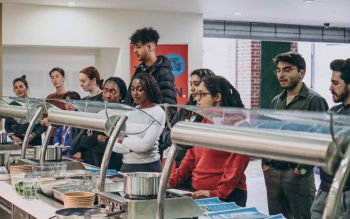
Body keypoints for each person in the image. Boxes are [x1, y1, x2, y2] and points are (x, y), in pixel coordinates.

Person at [262, 51, 329, 219]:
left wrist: (302, 168)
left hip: (297, 175)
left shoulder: (314, 101)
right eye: (278, 70)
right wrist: (266, 163)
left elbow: (320, 139)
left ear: (301, 72)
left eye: (287, 69)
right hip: (273, 173)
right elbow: (269, 134)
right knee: (276, 217)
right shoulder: (277, 100)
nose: (281, 74)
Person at [168, 75, 250, 206]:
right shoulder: (203, 121)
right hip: (198, 192)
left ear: (217, 97)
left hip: (228, 196)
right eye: (196, 95)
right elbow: (190, 158)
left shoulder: (238, 125)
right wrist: (170, 181)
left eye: (202, 95)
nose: (197, 100)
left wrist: (217, 193)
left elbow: (235, 167)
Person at [127, 27, 177, 157]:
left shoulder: (164, 73)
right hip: (135, 135)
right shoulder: (139, 71)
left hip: (152, 141)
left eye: (138, 47)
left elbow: (169, 109)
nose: (135, 50)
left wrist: (159, 141)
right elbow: (129, 104)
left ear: (149, 47)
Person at [311, 58, 350, 219]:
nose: (330, 88)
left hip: (345, 193)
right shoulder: (334, 111)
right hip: (325, 188)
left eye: (335, 83)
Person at [113, 73, 165, 172]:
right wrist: (133, 147)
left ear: (149, 90)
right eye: (132, 89)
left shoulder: (158, 112)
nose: (135, 93)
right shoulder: (130, 112)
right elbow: (113, 144)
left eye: (140, 89)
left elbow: (144, 146)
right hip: (126, 166)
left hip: (148, 167)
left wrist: (123, 140)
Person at [76, 77, 127, 170]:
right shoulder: (99, 113)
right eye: (105, 91)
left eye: (113, 92)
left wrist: (98, 142)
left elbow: (123, 145)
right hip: (96, 163)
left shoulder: (125, 115)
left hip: (117, 164)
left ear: (121, 95)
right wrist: (96, 138)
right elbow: (84, 141)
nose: (108, 95)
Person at [173, 68, 215, 167]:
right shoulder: (187, 108)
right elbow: (171, 129)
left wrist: (180, 138)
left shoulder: (212, 114)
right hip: (181, 163)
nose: (192, 88)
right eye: (191, 84)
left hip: (199, 166)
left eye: (196, 84)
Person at [5, 75, 45, 146]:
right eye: (16, 88)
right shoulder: (11, 105)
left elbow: (44, 125)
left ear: (26, 87)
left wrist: (33, 135)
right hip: (18, 143)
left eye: (21, 86)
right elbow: (7, 126)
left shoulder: (36, 104)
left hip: (34, 143)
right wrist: (13, 137)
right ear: (14, 90)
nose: (19, 89)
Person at [53, 91, 81, 157]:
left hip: (72, 152)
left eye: (71, 102)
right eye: (66, 102)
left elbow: (79, 138)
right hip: (61, 152)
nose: (68, 105)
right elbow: (57, 133)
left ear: (78, 104)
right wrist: (57, 145)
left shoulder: (79, 119)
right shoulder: (64, 117)